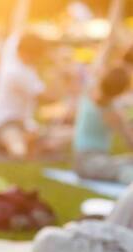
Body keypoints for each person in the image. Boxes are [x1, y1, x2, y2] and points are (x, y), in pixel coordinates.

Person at [0, 0, 68, 159]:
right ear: (29, 54)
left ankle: (35, 141)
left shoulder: (12, 48)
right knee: (19, 150)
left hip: (25, 124)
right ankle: (32, 143)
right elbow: (47, 97)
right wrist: (60, 74)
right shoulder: (16, 72)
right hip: (6, 125)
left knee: (67, 134)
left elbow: (18, 23)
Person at [73, 0, 133, 184]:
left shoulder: (91, 87)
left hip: (89, 160)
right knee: (126, 171)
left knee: (125, 163)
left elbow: (108, 42)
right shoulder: (111, 111)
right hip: (90, 162)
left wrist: (118, 6)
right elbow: (130, 141)